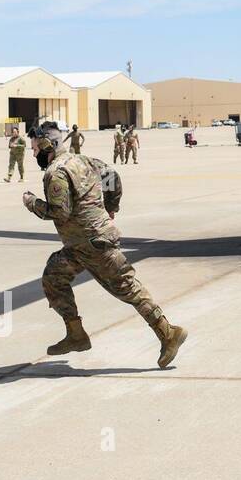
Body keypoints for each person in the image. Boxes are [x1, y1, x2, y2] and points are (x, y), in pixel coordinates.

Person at [23, 121, 187, 368]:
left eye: (35, 148)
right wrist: (111, 207)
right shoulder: (85, 161)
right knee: (53, 277)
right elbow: (112, 176)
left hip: (93, 244)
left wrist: (32, 203)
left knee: (128, 288)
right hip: (80, 246)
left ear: (48, 144)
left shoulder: (55, 172)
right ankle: (76, 335)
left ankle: (168, 333)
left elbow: (59, 212)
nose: (34, 153)